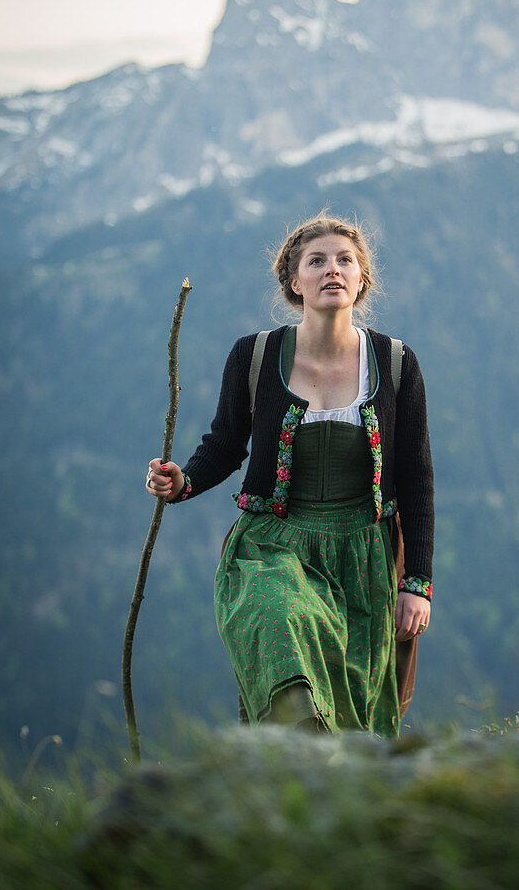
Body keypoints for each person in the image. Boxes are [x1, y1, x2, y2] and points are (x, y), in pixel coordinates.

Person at [146, 212, 434, 736]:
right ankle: (295, 757)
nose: (333, 270)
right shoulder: (255, 356)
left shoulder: (395, 363)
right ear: (293, 281)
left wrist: (416, 583)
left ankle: (334, 803)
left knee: (357, 717)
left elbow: (416, 479)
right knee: (283, 639)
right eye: (317, 260)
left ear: (362, 278)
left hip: (364, 558)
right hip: (272, 548)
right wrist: (182, 481)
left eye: (346, 260)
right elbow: (225, 445)